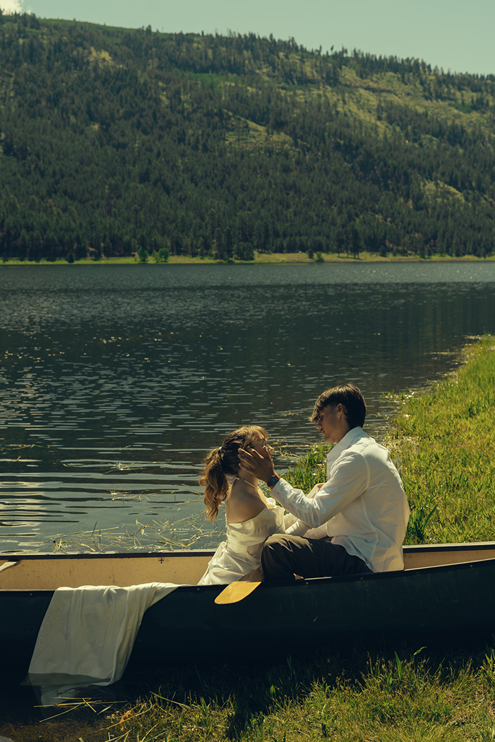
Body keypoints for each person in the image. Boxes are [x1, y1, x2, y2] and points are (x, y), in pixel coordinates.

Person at [238, 384, 410, 582]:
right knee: (291, 542)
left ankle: (291, 607)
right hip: (367, 552)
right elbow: (330, 521)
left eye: (320, 417)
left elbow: (315, 515)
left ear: (339, 410)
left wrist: (272, 479)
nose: (317, 425)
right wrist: (296, 537)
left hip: (367, 562)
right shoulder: (363, 450)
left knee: (275, 548)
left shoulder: (356, 458)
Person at [197, 425, 309, 585]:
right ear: (247, 456)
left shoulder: (248, 487)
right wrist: (312, 517)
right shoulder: (246, 499)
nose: (270, 449)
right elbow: (281, 542)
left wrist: (310, 500)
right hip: (242, 579)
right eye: (263, 444)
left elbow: (279, 527)